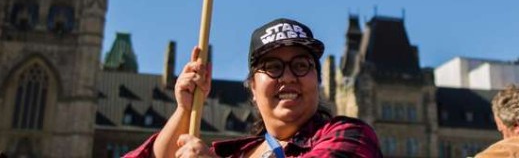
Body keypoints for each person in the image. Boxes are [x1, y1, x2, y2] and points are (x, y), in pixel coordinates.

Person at [124, 17, 382, 158]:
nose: (289, 77)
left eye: (302, 65)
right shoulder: (229, 154)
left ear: (318, 80)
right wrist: (185, 110)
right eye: (272, 67)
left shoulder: (350, 135)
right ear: (252, 88)